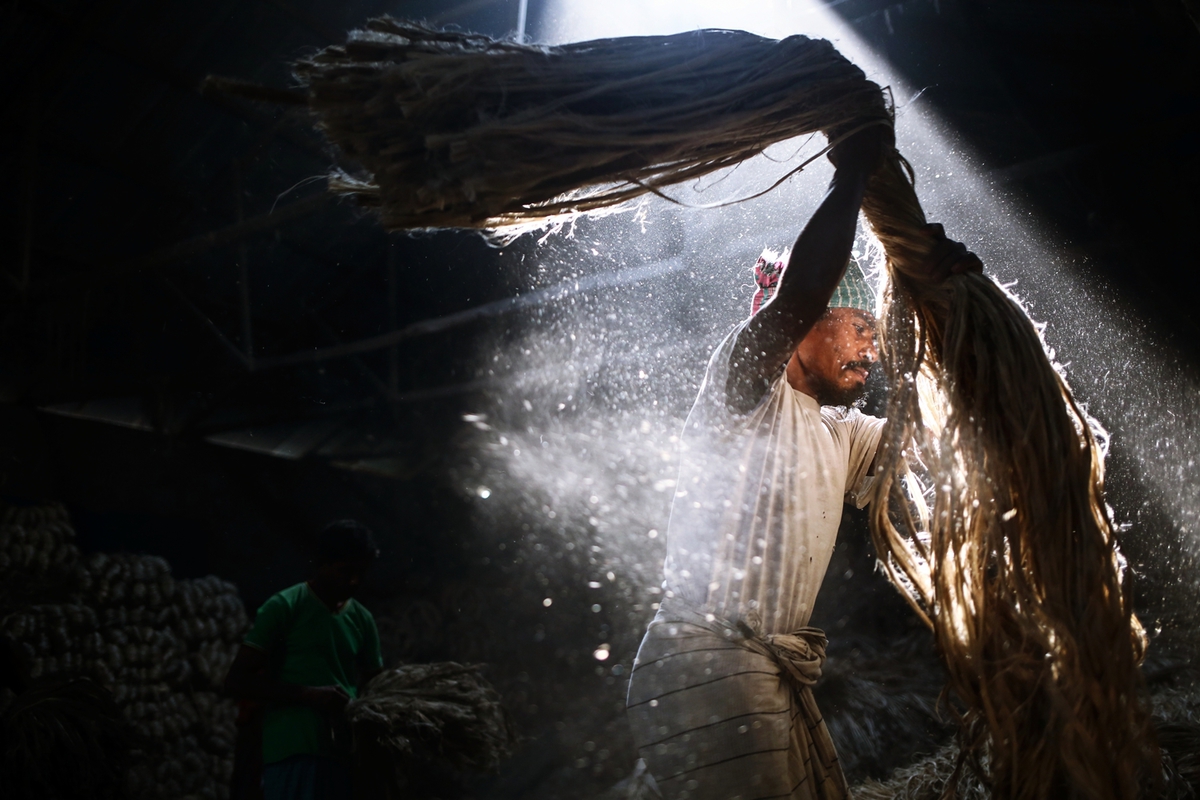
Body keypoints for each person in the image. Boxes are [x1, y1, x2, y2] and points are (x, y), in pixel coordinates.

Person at [625, 126, 981, 800]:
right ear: (806, 325)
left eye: (877, 339)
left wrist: (949, 303)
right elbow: (798, 294)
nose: (872, 352)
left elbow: (944, 434)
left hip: (763, 670)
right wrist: (850, 175)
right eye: (860, 328)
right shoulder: (744, 390)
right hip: (706, 662)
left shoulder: (839, 436)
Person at [225, 520, 384, 800]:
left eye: (361, 573)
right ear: (321, 563)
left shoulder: (363, 619)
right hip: (292, 753)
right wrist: (308, 695)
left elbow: (377, 685)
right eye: (345, 571)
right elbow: (237, 681)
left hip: (343, 756)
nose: (354, 582)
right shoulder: (285, 606)